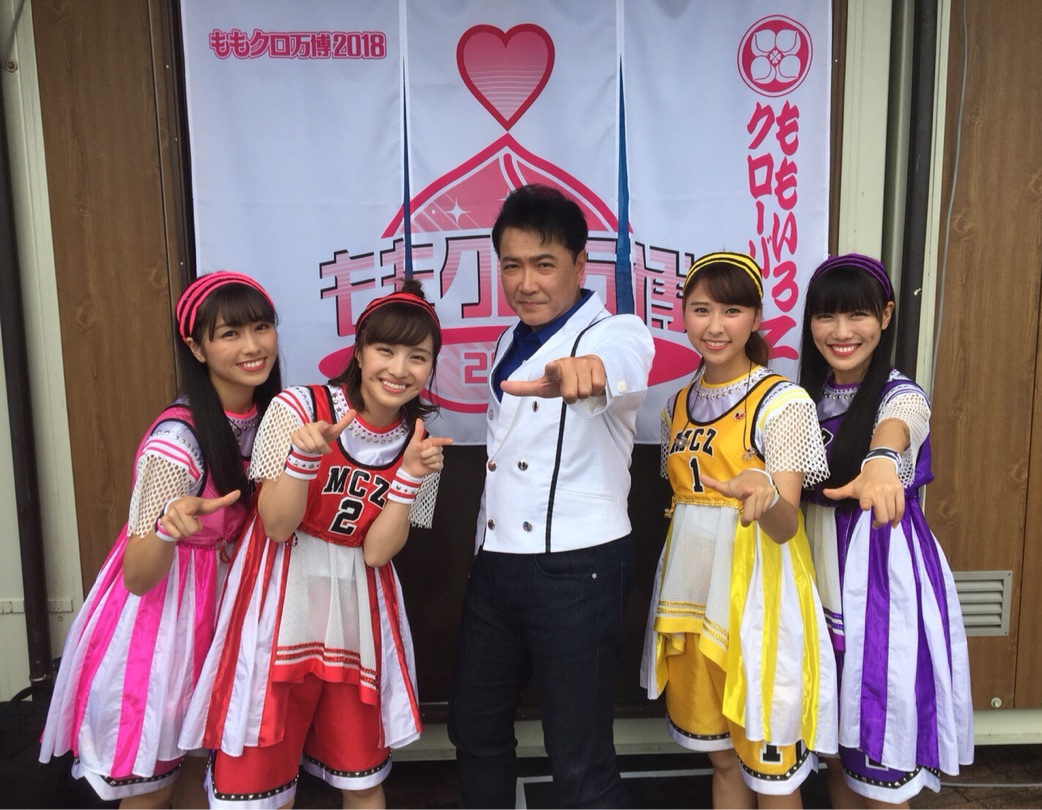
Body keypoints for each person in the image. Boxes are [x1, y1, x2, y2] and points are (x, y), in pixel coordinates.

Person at [179, 279, 450, 809]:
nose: (399, 369)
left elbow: (377, 552)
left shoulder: (419, 442)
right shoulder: (298, 406)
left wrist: (409, 478)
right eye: (385, 350)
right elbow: (277, 525)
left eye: (417, 357)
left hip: (356, 605)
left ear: (431, 367)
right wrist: (303, 459)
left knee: (362, 776)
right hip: (277, 594)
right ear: (359, 352)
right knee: (259, 773)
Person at [39, 271, 282, 808]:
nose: (252, 346)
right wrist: (171, 528)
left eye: (261, 327)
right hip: (162, 622)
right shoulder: (178, 440)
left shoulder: (268, 420)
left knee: (198, 770)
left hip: (221, 608)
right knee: (152, 786)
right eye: (230, 334)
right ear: (195, 348)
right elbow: (137, 573)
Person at [447, 183, 655, 808]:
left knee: (579, 759)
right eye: (511, 266)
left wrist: (587, 373)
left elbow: (621, 367)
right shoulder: (508, 341)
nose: (526, 283)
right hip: (496, 565)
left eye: (544, 264)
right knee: (475, 730)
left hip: (577, 568)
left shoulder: (617, 332)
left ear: (579, 264)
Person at [640, 252, 838, 809]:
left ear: (756, 318)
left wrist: (764, 495)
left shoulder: (783, 401)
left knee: (771, 768)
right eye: (701, 309)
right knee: (722, 758)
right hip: (691, 596)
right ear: (682, 313)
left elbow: (786, 525)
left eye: (732, 310)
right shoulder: (676, 404)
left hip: (758, 601)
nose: (715, 325)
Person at [799, 253, 973, 808]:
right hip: (814, 568)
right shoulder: (802, 396)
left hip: (878, 578)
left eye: (857, 314)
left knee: (877, 737)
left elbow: (899, 427)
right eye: (826, 316)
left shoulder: (900, 394)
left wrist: (879, 460)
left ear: (887, 315)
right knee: (835, 744)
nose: (841, 332)